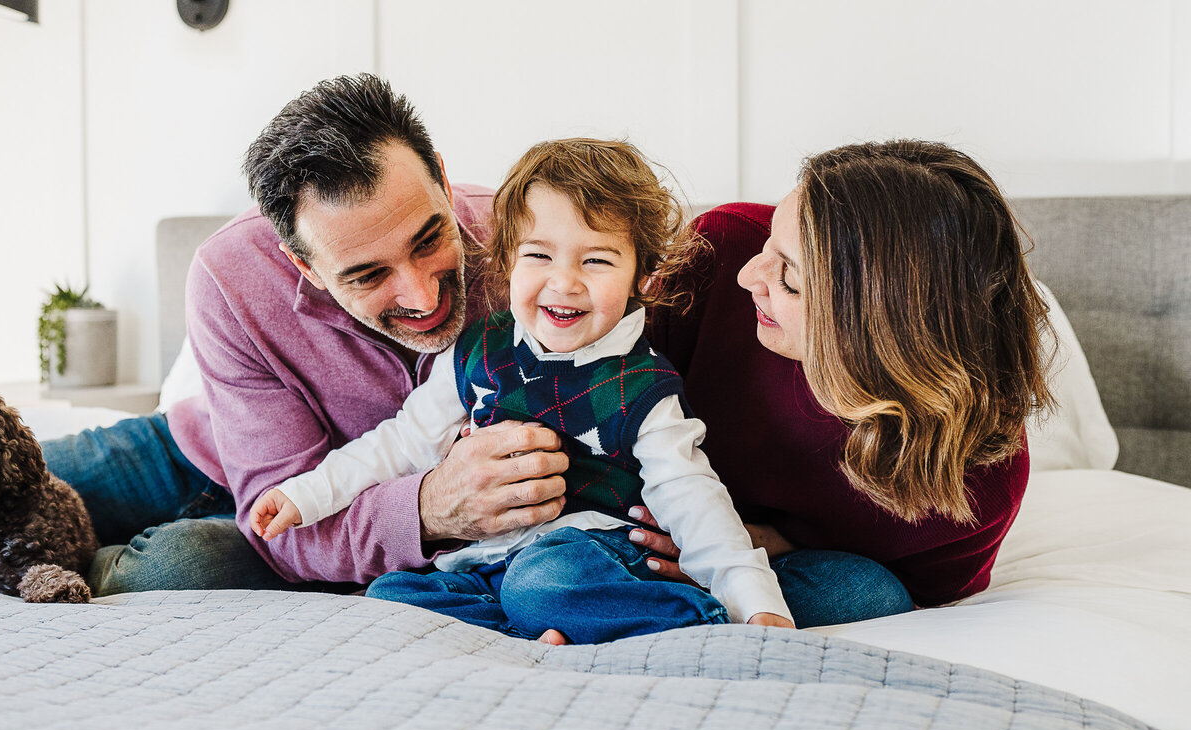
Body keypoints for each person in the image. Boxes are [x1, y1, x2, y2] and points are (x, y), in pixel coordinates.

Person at [0, 75, 571, 596]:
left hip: (315, 501)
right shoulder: (232, 274)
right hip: (188, 454)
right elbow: (283, 495)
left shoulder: (543, 254)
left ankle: (87, 559)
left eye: (429, 238)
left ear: (443, 180)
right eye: (365, 275)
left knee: (183, 574)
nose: (422, 294)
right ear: (302, 266)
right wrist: (425, 506)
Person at [249, 139, 793, 643]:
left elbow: (696, 501)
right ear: (506, 259)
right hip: (489, 559)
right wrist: (306, 494)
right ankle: (526, 636)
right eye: (539, 255)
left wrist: (754, 605)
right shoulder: (477, 351)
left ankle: (701, 623)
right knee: (391, 598)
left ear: (643, 276)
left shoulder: (642, 389)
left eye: (596, 260)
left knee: (544, 585)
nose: (564, 282)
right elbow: (402, 441)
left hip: (589, 550)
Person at [634, 140, 1056, 627]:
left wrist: (775, 544)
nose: (751, 274)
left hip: (779, 562)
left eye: (789, 275)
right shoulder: (723, 250)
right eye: (767, 244)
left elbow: (917, 593)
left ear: (877, 323)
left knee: (870, 593)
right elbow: (582, 375)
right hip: (643, 504)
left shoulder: (979, 486)